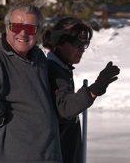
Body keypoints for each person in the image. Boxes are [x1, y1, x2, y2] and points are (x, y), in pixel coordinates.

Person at [0, 2, 62, 163]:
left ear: (38, 32)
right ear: (7, 27)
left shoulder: (39, 56)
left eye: (30, 29)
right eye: (17, 27)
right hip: (15, 154)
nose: (22, 34)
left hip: (48, 153)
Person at [42, 17, 120, 163]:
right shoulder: (52, 70)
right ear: (59, 43)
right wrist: (93, 90)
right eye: (77, 43)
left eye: (85, 44)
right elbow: (64, 107)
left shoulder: (62, 67)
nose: (82, 49)